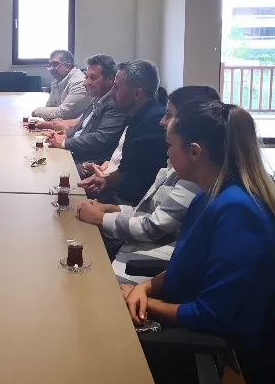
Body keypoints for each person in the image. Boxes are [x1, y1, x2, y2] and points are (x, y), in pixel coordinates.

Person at [122, 101, 275, 343]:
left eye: (170, 145)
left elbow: (210, 316)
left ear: (194, 152)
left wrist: (145, 302)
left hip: (198, 341)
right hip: (178, 314)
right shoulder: (209, 196)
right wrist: (145, 287)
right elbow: (186, 267)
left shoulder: (237, 211)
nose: (167, 153)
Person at [76, 86, 221, 283]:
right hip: (135, 250)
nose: (162, 121)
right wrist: (110, 209)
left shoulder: (195, 177)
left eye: (169, 115)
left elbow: (153, 227)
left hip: (144, 263)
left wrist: (101, 218)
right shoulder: (181, 166)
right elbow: (151, 212)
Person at [77, 60, 168, 208]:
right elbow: (126, 170)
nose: (111, 93)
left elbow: (138, 187)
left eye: (116, 87)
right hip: (116, 195)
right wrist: (105, 180)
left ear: (137, 93)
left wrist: (103, 209)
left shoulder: (154, 124)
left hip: (129, 208)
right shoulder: (136, 115)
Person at [43, 54, 126, 164]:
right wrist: (62, 135)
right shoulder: (96, 99)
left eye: (93, 78)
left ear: (110, 79)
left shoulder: (115, 103)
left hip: (89, 162)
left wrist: (64, 142)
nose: (86, 82)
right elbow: (80, 128)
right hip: (76, 153)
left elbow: (101, 138)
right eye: (86, 77)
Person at [32, 50, 91, 125]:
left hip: (78, 128)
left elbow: (64, 113)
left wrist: (36, 111)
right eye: (50, 65)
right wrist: (52, 119)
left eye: (55, 64)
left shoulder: (79, 82)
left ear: (67, 66)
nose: (51, 69)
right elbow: (49, 106)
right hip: (62, 126)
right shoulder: (56, 81)